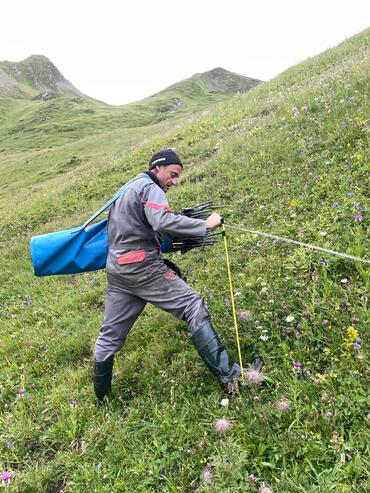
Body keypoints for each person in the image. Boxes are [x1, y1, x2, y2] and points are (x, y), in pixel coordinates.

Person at [93, 148, 241, 402]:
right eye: (172, 175)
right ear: (157, 168)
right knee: (193, 306)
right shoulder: (150, 189)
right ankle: (230, 377)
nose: (174, 181)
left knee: (109, 336)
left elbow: (137, 226)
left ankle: (101, 398)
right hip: (143, 269)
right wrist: (204, 225)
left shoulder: (126, 189)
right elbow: (161, 221)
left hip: (118, 271)